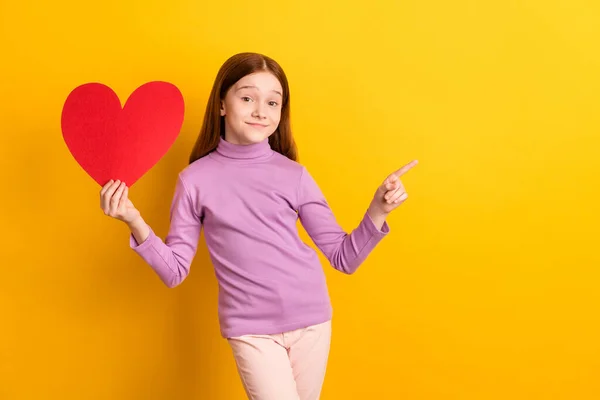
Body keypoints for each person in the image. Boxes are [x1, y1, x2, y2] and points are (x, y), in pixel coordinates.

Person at [99, 52, 417, 400]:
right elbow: (174, 270)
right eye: (247, 97)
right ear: (222, 104)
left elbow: (344, 257)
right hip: (251, 330)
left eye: (272, 102)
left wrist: (378, 209)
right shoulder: (194, 181)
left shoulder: (294, 175)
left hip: (312, 320)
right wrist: (134, 220)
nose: (260, 111)